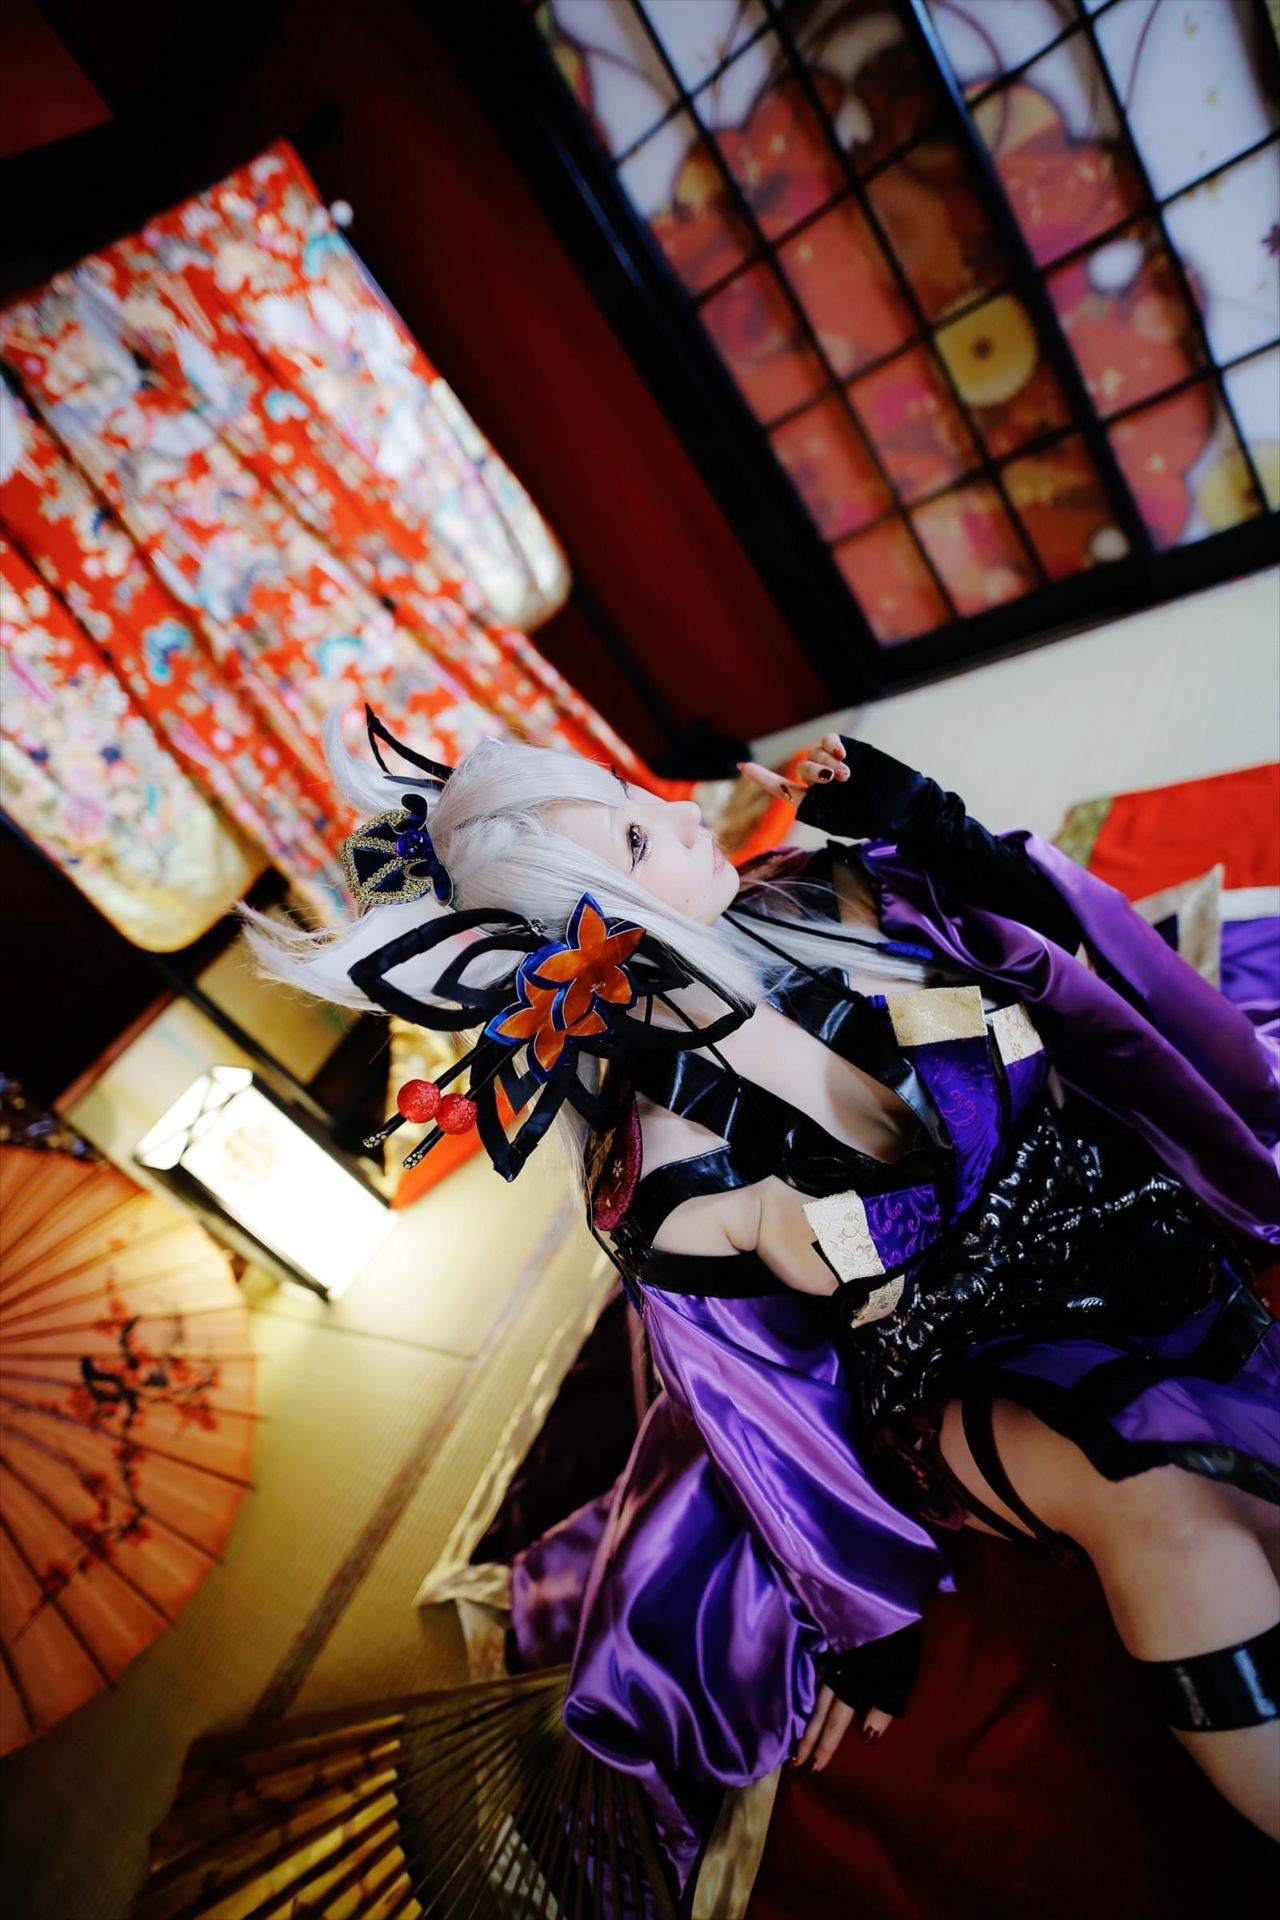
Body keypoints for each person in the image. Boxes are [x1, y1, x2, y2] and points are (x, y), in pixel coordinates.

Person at [244, 708, 1280, 1902]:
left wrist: (932, 828)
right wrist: (862, 1618)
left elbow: (1063, 960)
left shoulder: (816, 891)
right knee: (1161, 1503)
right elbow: (762, 1392)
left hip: (1130, 1220)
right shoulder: (666, 1174)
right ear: (592, 944)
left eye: (633, 795)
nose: (685, 808)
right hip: (965, 1361)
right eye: (636, 840)